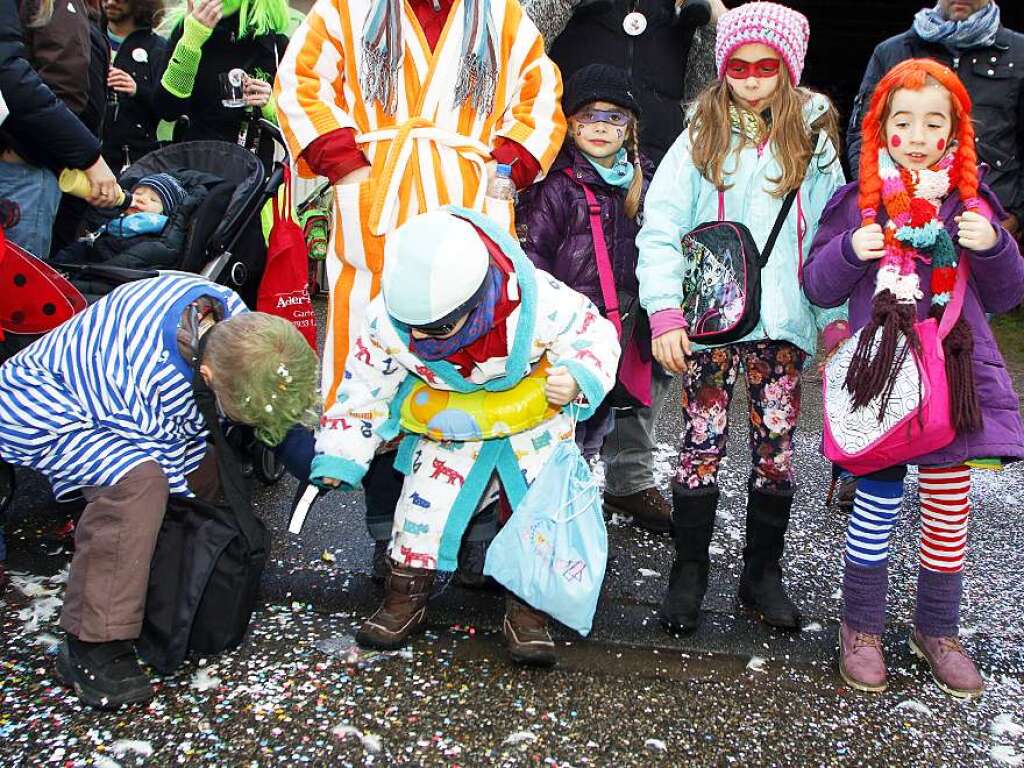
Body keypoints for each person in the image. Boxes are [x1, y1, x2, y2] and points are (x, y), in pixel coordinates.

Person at [274, 0, 566, 580]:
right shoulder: (345, 10)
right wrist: (345, 163)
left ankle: (471, 538)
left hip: (467, 200)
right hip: (379, 196)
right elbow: (301, 80)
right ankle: (388, 539)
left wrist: (505, 168)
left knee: (474, 360)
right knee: (374, 371)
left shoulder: (501, 15)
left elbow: (539, 93)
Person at [804, 58, 1024, 699]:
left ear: (955, 138)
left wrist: (995, 246)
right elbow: (817, 283)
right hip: (882, 385)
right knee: (874, 506)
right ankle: (862, 628)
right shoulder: (856, 205)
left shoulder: (973, 208)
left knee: (948, 511)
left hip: (951, 382)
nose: (920, 135)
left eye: (936, 123)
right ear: (882, 133)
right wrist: (852, 251)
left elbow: (1008, 297)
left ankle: (938, 630)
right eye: (905, 122)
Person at [312, 208, 618, 666]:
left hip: (534, 420)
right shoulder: (386, 323)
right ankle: (405, 596)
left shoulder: (537, 300)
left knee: (536, 514)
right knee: (422, 506)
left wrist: (577, 376)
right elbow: (364, 384)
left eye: (436, 329)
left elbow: (594, 333)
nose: (418, 336)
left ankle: (529, 610)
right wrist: (341, 453)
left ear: (479, 297)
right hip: (449, 421)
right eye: (411, 326)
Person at [0, 273, 319, 709]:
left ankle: (150, 587)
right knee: (137, 486)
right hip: (45, 406)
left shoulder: (237, 321)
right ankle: (92, 641)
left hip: (123, 399)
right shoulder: (153, 377)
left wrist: (317, 462)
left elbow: (270, 410)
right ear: (206, 375)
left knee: (206, 473)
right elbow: (169, 476)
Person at [636, 1, 847, 636]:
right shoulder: (701, 134)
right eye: (738, 64)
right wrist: (666, 313)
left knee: (776, 451)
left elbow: (830, 235)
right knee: (698, 446)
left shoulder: (812, 141)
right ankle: (689, 570)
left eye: (766, 65)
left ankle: (762, 574)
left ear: (788, 68)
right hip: (708, 325)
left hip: (782, 326)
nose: (751, 77)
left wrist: (833, 319)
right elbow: (663, 226)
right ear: (723, 66)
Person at [530, 0, 726, 533]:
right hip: (568, 174)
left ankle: (630, 477)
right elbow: (526, 35)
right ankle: (549, 476)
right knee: (570, 339)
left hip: (649, 177)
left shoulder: (683, 13)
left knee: (645, 338)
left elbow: (709, 89)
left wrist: (709, 20)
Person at [516, 63, 662, 520]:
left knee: (596, 430)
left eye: (614, 117)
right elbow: (532, 261)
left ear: (630, 128)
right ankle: (539, 525)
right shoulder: (555, 187)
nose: (601, 126)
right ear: (570, 123)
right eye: (588, 115)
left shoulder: (644, 183)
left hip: (617, 338)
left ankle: (568, 516)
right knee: (555, 435)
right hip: (565, 341)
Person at [847, 0, 1024, 242]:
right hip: (895, 224)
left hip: (993, 227)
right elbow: (863, 134)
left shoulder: (1020, 53)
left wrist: (1016, 218)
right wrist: (877, 205)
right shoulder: (891, 52)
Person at [0, 0, 120, 259]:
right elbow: (17, 76)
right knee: (18, 290)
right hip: (28, 166)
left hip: (40, 161)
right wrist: (89, 158)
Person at [154, 0, 289, 164]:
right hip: (194, 167)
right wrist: (191, 41)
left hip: (252, 172)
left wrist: (269, 106)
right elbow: (167, 109)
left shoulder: (274, 44)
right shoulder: (190, 28)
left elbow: (296, 128)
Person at [52, 172, 187, 269]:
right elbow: (82, 248)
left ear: (165, 213)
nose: (141, 199)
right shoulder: (111, 225)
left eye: (153, 200)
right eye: (138, 193)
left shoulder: (161, 239)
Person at [101, 0, 168, 171]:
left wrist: (137, 90)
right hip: (87, 154)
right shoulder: (88, 37)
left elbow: (169, 107)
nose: (110, 2)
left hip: (135, 160)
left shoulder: (157, 48)